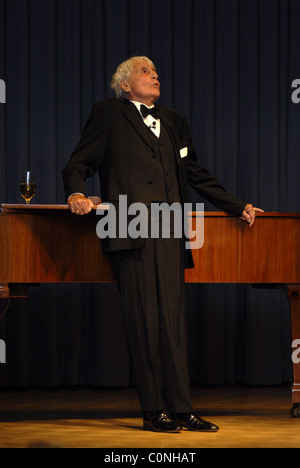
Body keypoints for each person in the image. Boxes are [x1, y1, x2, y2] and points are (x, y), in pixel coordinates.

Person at [63, 56, 262, 433]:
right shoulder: (107, 113)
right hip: (128, 227)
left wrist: (237, 206)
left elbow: (196, 174)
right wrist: (76, 192)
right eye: (144, 72)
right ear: (124, 84)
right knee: (145, 322)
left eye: (155, 72)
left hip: (170, 231)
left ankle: (182, 409)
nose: (154, 76)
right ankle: (154, 409)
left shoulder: (174, 121)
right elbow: (79, 162)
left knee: (172, 325)